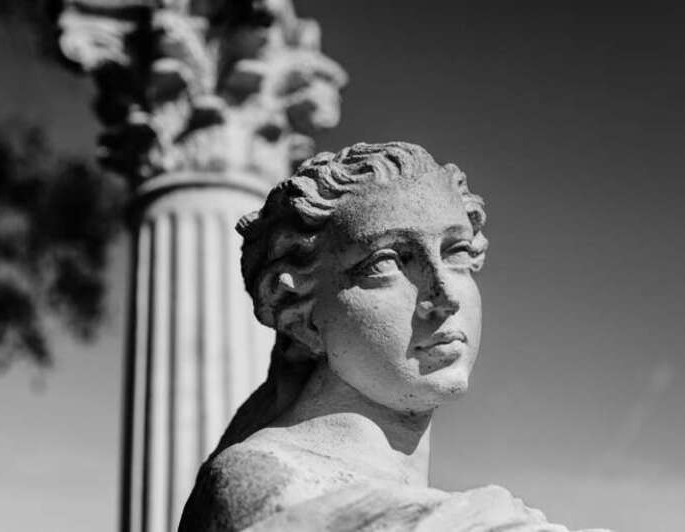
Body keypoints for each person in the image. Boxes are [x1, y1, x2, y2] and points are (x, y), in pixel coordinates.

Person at [180, 142, 607, 532]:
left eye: (456, 254)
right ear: (300, 313)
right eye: (385, 262)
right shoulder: (272, 481)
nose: (443, 297)